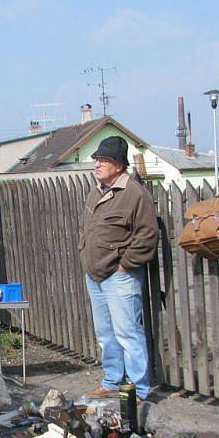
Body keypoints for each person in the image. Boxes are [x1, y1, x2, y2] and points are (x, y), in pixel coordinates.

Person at [78, 136, 159, 400]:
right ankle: (112, 381)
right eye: (97, 160)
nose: (97, 165)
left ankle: (139, 390)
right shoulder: (96, 190)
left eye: (104, 160)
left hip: (119, 276)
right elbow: (86, 228)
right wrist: (84, 251)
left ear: (119, 165)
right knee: (106, 334)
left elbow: (147, 235)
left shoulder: (135, 194)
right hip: (95, 275)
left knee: (128, 333)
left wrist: (125, 265)